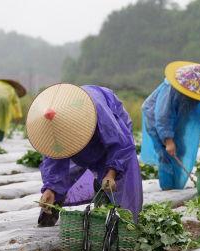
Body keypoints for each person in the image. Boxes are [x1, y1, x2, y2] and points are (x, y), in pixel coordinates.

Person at [26, 83, 143, 226]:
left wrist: (112, 173)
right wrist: (50, 188)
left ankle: (126, 222)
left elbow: (119, 143)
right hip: (80, 140)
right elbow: (54, 159)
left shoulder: (98, 111)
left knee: (118, 182)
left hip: (113, 136)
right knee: (65, 172)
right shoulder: (53, 127)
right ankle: (52, 207)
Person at [141, 61, 200, 190]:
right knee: (165, 154)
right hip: (155, 120)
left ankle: (176, 185)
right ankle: (168, 189)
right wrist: (168, 140)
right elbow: (162, 116)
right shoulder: (171, 90)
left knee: (180, 149)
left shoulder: (197, 92)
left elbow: (198, 110)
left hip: (176, 119)